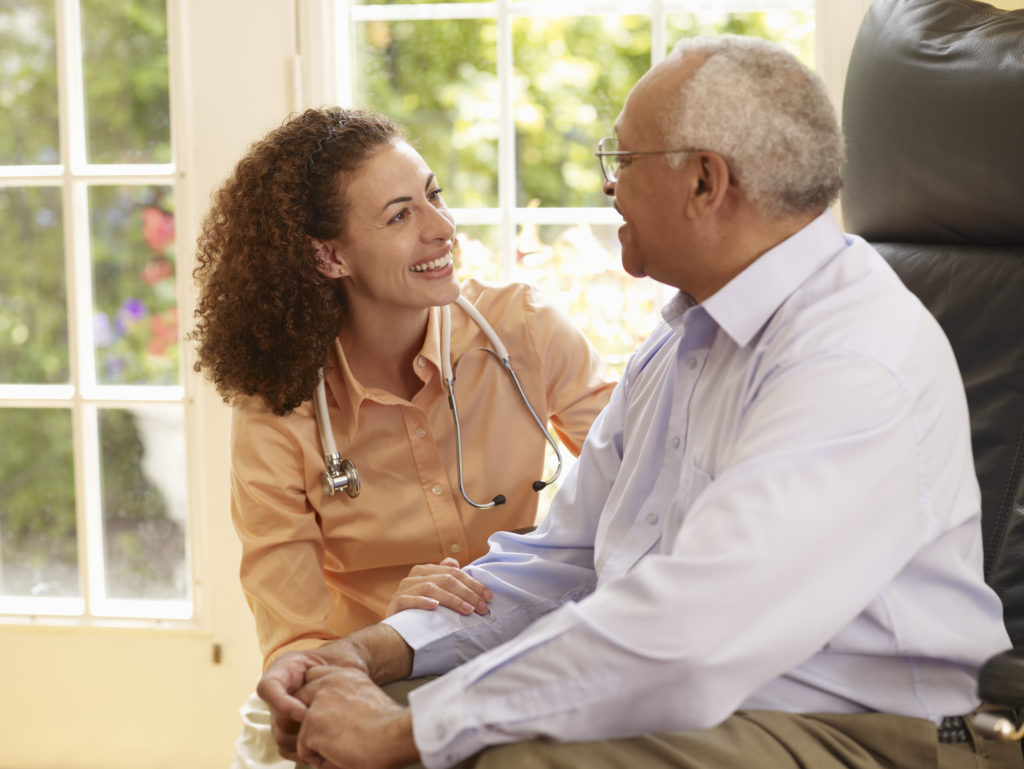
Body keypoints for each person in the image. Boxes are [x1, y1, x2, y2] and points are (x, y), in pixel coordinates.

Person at [257, 36, 1019, 769]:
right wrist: (370, 649)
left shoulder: (852, 358)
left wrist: (411, 729)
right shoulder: (685, 338)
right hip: (728, 702)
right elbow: (563, 559)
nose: (607, 183)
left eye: (621, 158)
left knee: (501, 753)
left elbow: (692, 631)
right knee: (355, 727)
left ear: (704, 182)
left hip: (883, 733)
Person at [190, 107, 615, 768]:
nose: (442, 227)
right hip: (364, 675)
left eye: (434, 196)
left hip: (521, 653)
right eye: (399, 215)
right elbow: (296, 639)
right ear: (328, 255)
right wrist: (390, 628)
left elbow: (645, 483)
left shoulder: (525, 331)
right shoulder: (279, 410)